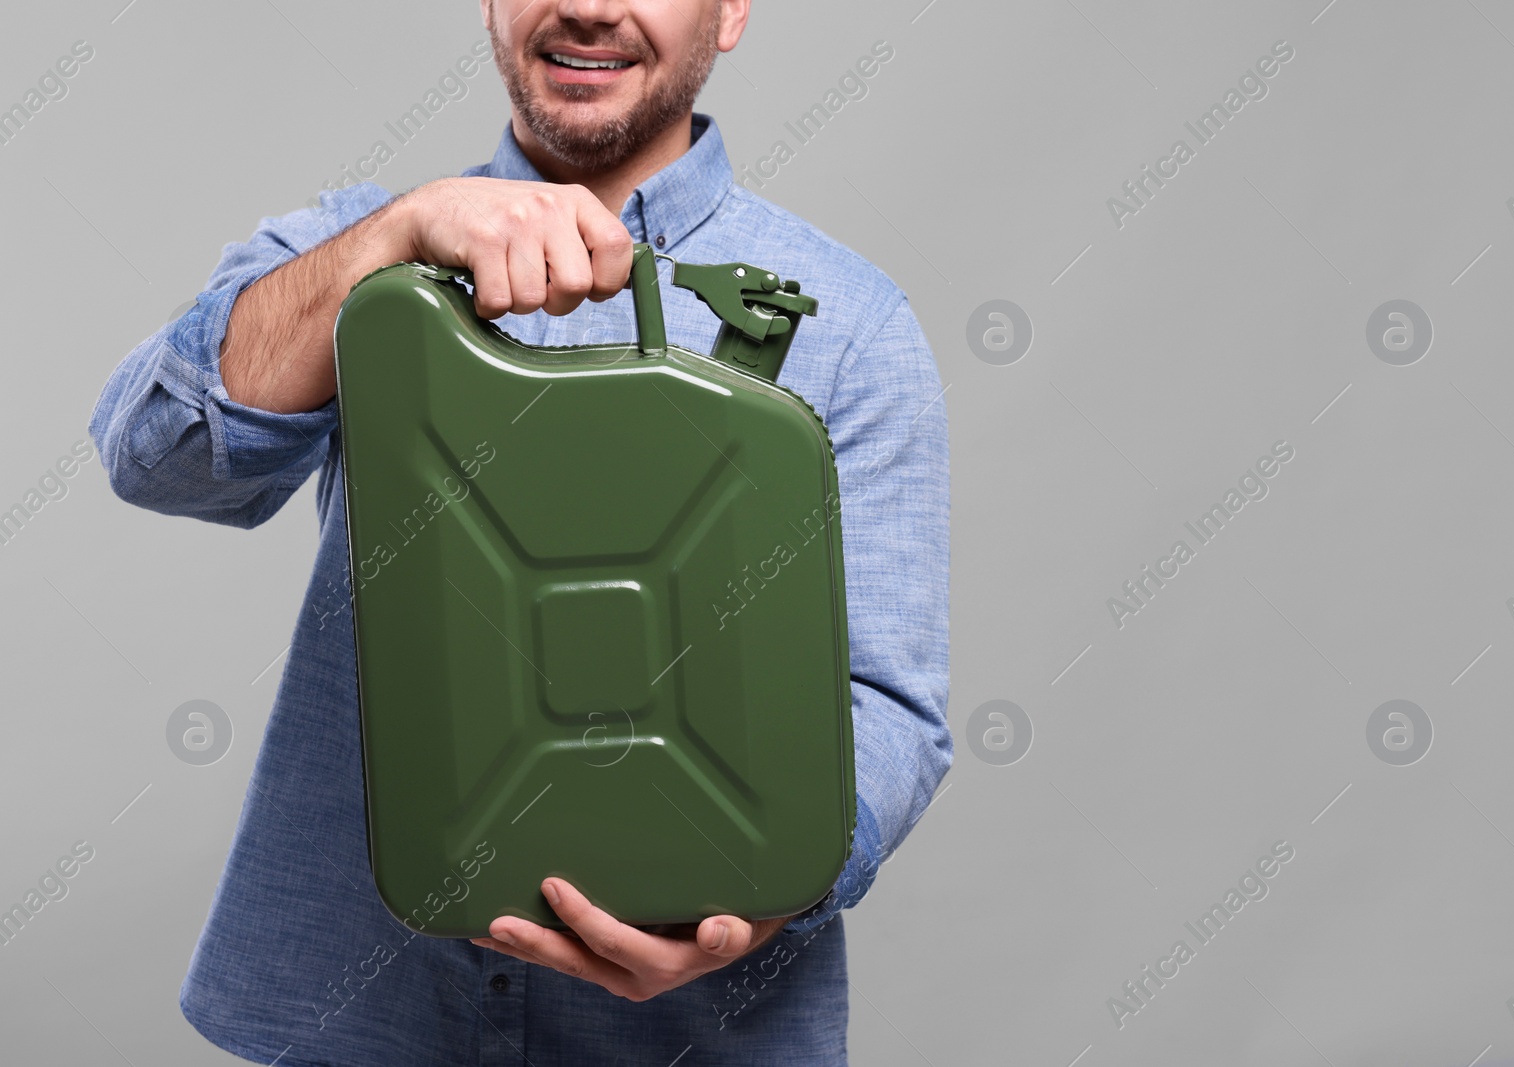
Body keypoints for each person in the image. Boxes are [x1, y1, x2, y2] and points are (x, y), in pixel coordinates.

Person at [87, 1, 950, 1063]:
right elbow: (158, 453)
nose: (587, 4)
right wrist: (393, 240)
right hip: (358, 1025)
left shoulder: (851, 324)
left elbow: (889, 708)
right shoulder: (356, 245)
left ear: (729, 11)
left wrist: (769, 890)